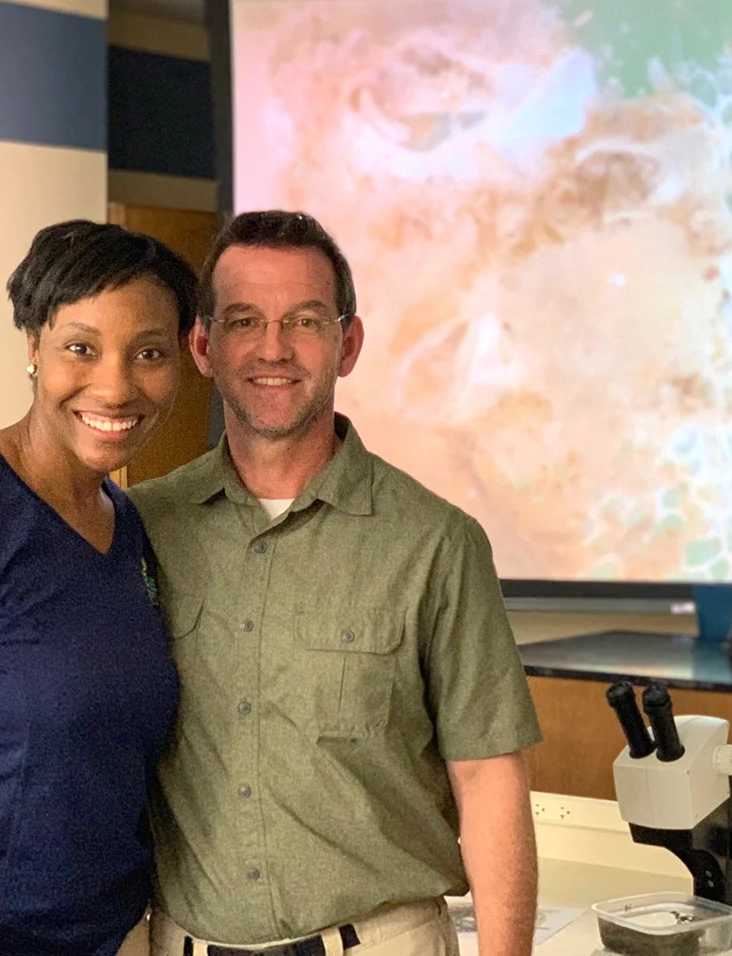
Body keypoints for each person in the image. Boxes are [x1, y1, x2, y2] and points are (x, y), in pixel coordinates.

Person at [129, 210, 543, 956]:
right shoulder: (143, 529)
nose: (274, 348)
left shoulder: (435, 543)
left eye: (306, 321)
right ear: (203, 346)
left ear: (348, 345)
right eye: (244, 321)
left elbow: (488, 778)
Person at [0, 220, 199, 956]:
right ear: (33, 346)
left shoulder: (128, 525)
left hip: (121, 935)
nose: (116, 386)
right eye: (82, 347)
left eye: (149, 353)